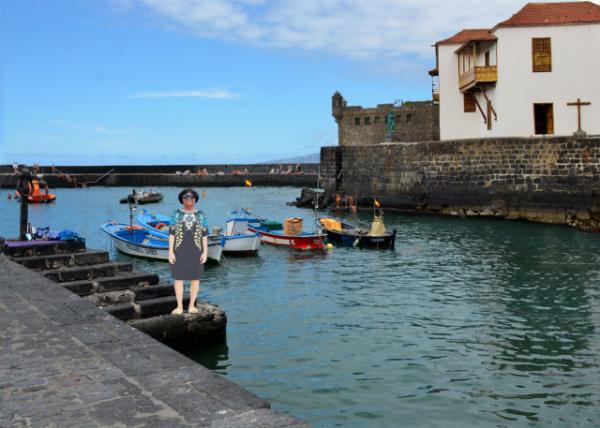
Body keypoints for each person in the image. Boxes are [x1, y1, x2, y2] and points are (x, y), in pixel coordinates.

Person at [168, 188, 209, 315]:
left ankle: (192, 305)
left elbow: (204, 235)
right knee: (178, 278)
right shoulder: (175, 214)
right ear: (182, 199)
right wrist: (170, 251)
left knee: (195, 278)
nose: (189, 199)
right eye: (186, 197)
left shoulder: (201, 215)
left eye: (191, 197)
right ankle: (179, 306)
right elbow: (172, 234)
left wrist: (205, 252)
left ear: (196, 199)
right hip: (179, 248)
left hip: (196, 249)